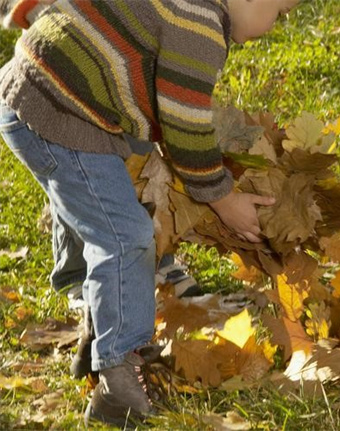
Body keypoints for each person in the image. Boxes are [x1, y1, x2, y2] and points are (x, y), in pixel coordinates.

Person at [0, 0, 300, 426]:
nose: (278, 25)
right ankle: (118, 379)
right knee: (125, 236)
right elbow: (185, 126)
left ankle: (95, 323)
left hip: (44, 92)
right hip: (57, 114)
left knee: (99, 202)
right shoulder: (200, 26)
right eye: (282, 12)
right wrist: (223, 198)